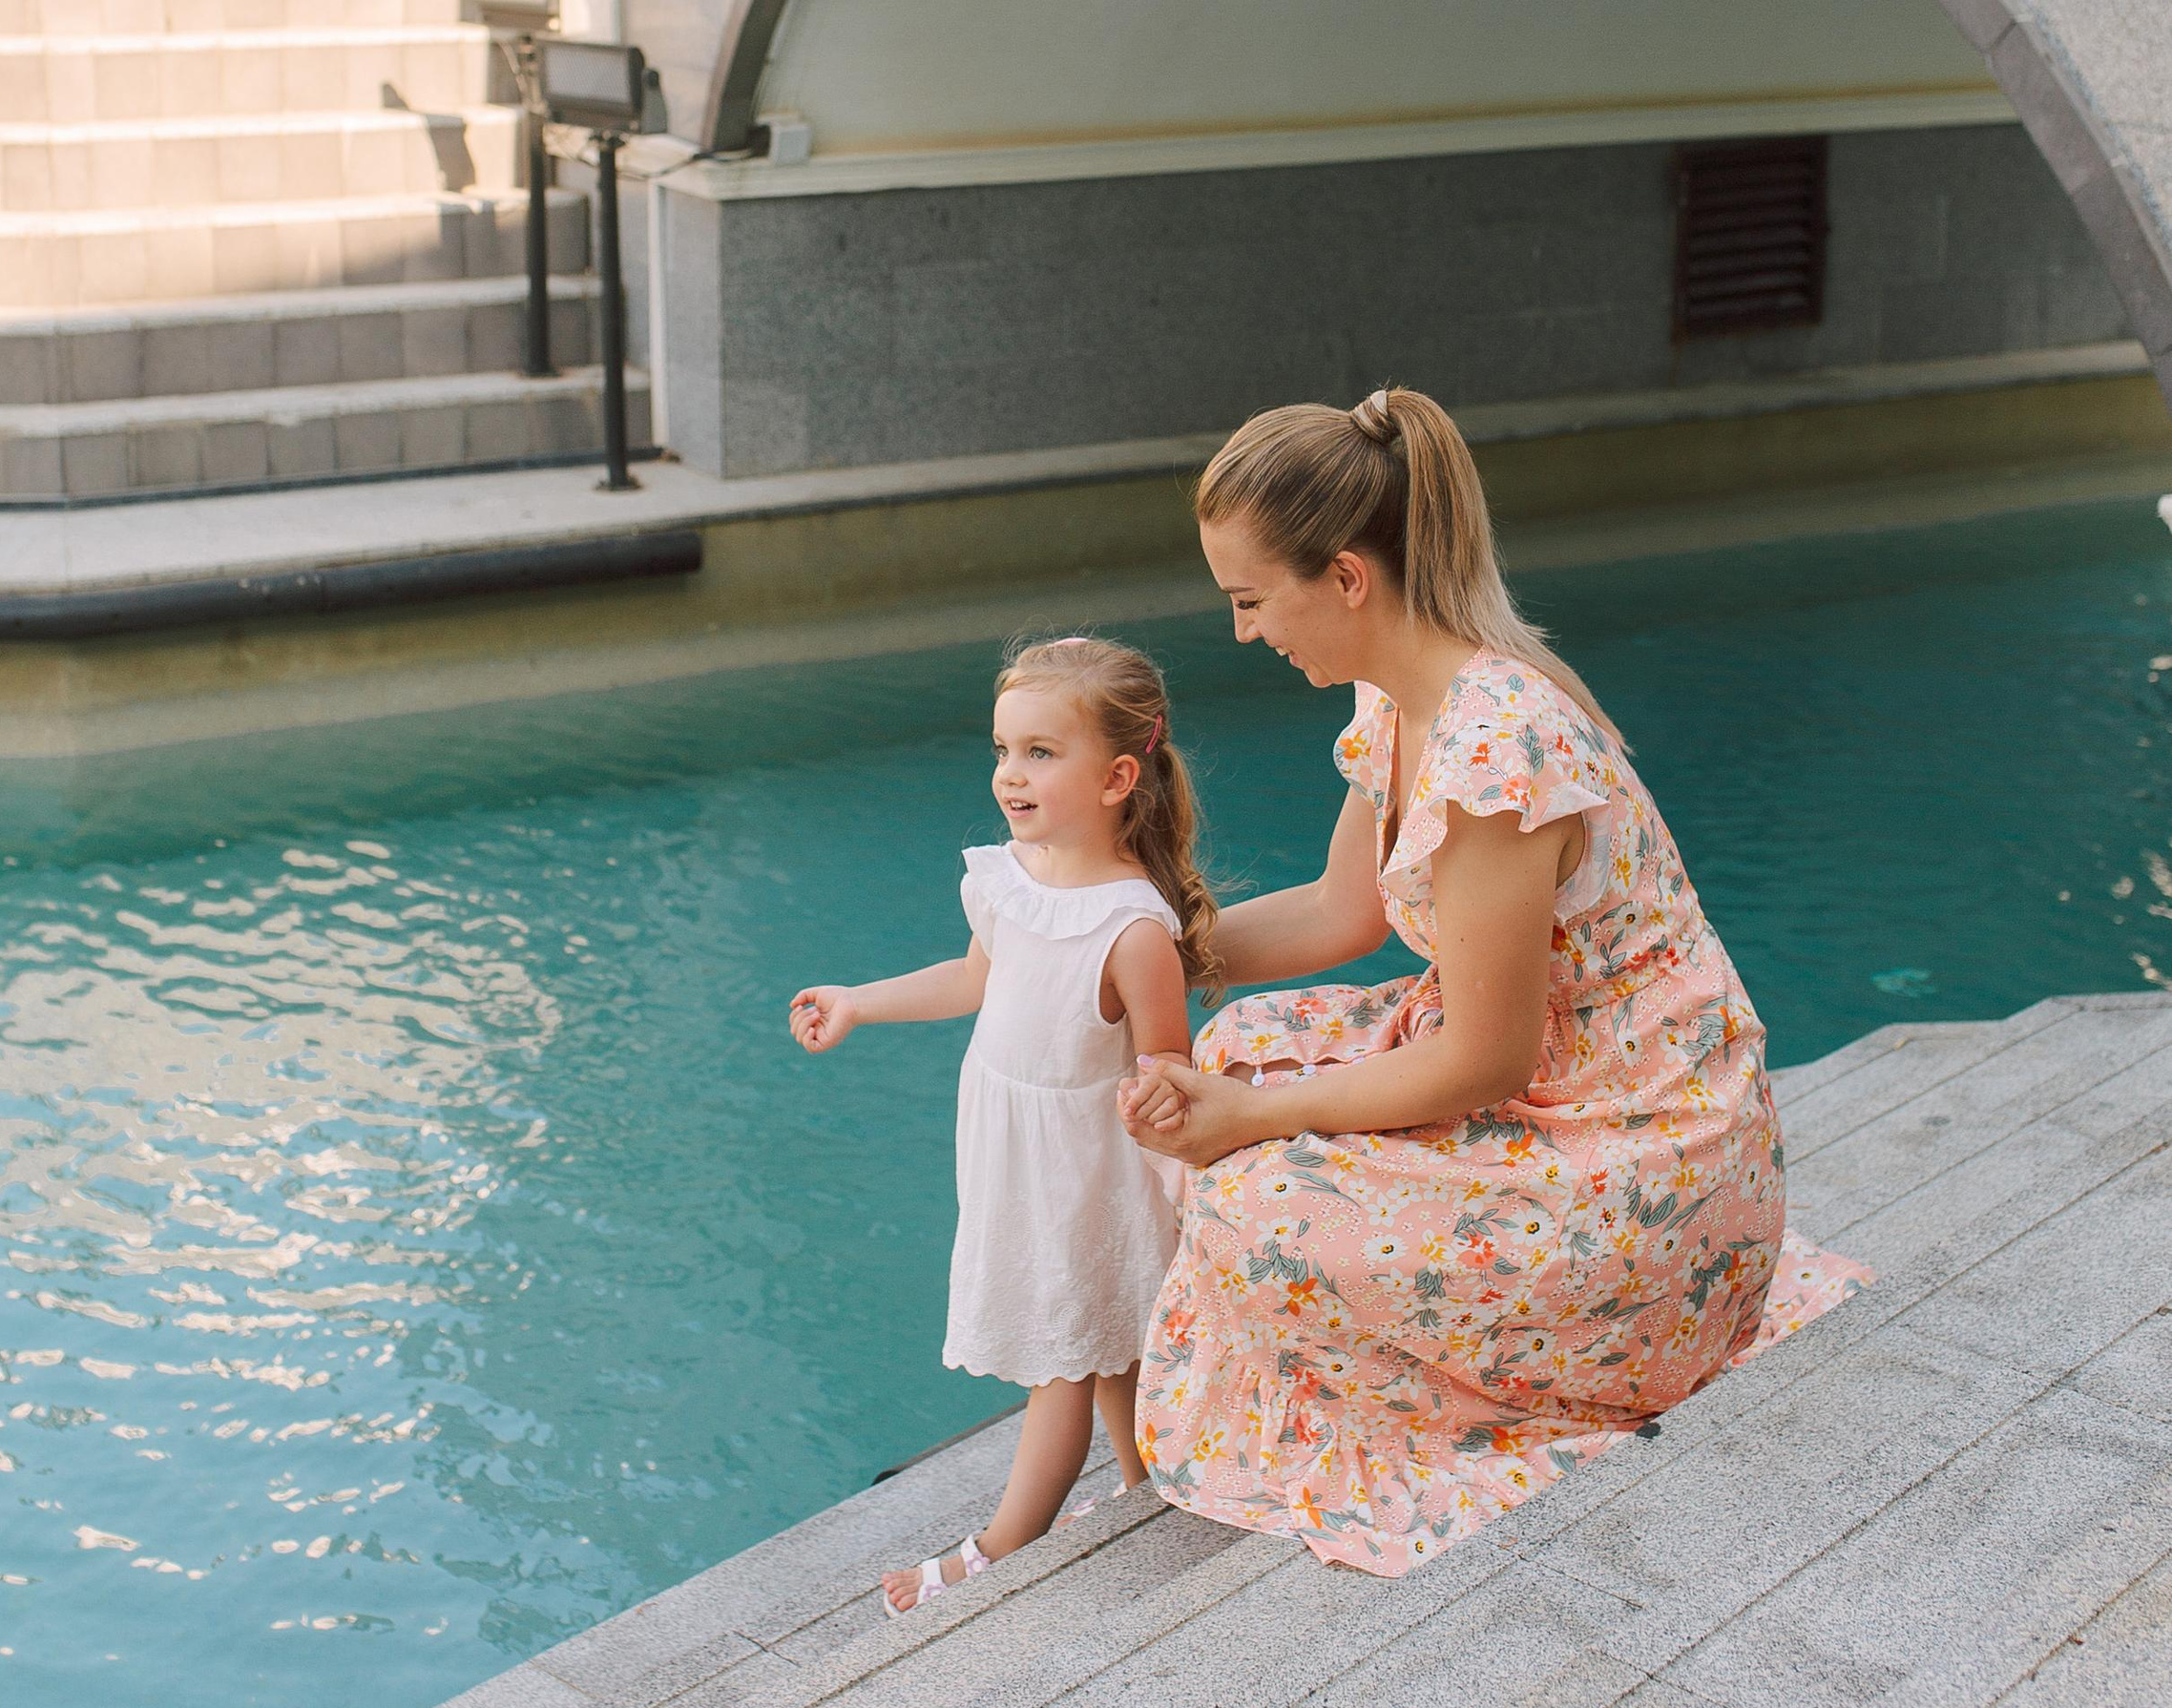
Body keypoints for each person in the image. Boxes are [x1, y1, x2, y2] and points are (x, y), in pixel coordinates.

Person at [1118, 388, 1867, 1574]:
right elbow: (1340, 911)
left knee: (1252, 1203)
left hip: (1636, 1157)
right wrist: (1144, 943)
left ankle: (1560, 1368)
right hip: (1563, 1087)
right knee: (1233, 1050)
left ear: (1348, 579)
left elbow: (1484, 1059)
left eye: (1252, 599)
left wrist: (1254, 1121)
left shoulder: (1492, 746)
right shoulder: (1406, 696)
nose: (1246, 631)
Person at [789, 635, 1222, 1614]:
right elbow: (974, 977)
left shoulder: (1131, 929)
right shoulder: (1007, 875)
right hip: (1011, 1154)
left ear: (1117, 776)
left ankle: (997, 1546)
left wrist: (1171, 1118)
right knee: (1107, 1343)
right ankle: (1142, 1481)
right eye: (1002, 749)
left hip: (1082, 1172)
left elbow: (1168, 1070)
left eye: (1039, 752)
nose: (1009, 774)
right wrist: (860, 999)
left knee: (1062, 1357)